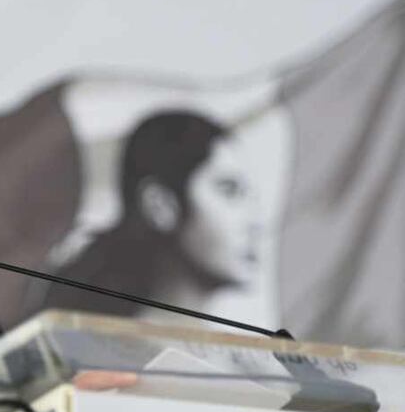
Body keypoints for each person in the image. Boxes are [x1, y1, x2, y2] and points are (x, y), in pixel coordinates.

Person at [40, 110, 260, 320]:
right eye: (229, 190)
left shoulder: (236, 354)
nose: (256, 222)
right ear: (160, 205)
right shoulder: (91, 342)